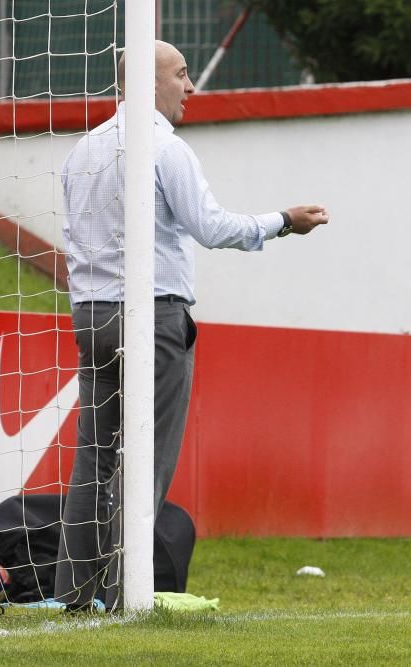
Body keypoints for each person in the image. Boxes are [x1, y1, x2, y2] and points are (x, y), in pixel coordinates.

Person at [55, 40, 329, 611]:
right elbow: (210, 226)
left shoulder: (81, 151)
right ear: (150, 84)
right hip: (152, 318)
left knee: (93, 459)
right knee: (147, 462)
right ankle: (123, 597)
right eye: (182, 74)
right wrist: (282, 222)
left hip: (90, 317)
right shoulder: (163, 147)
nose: (191, 86)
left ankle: (71, 600)